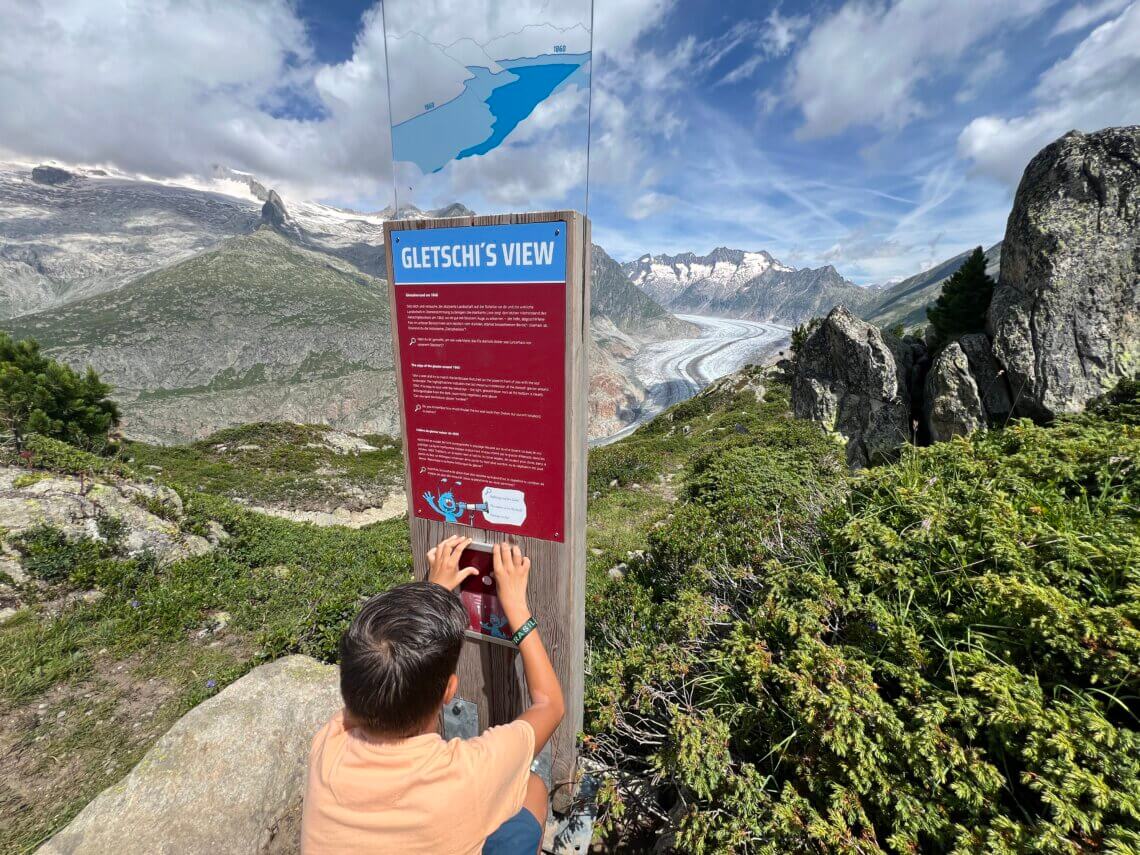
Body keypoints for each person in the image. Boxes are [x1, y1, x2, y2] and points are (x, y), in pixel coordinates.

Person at [301, 536, 565, 855]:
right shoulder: (467, 776)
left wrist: (434, 595)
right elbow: (550, 703)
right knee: (531, 787)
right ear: (449, 691)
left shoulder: (328, 743)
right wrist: (516, 608)